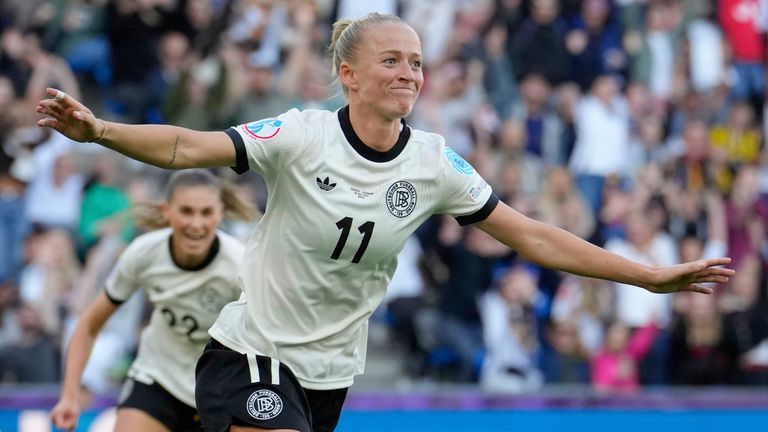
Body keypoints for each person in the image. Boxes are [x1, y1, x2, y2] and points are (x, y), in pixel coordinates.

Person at [37, 12, 735, 432]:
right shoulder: (301, 136)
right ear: (348, 73)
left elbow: (533, 235)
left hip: (330, 373)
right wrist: (99, 131)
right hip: (253, 352)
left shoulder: (433, 165)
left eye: (418, 63)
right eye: (392, 60)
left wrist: (645, 276)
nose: (410, 73)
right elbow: (193, 145)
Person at [50, 169, 258, 432]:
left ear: (220, 214)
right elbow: (89, 324)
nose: (196, 223)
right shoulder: (143, 253)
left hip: (217, 393)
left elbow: (263, 341)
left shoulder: (239, 266)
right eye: (186, 211)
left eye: (206, 213)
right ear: (167, 210)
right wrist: (69, 396)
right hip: (156, 379)